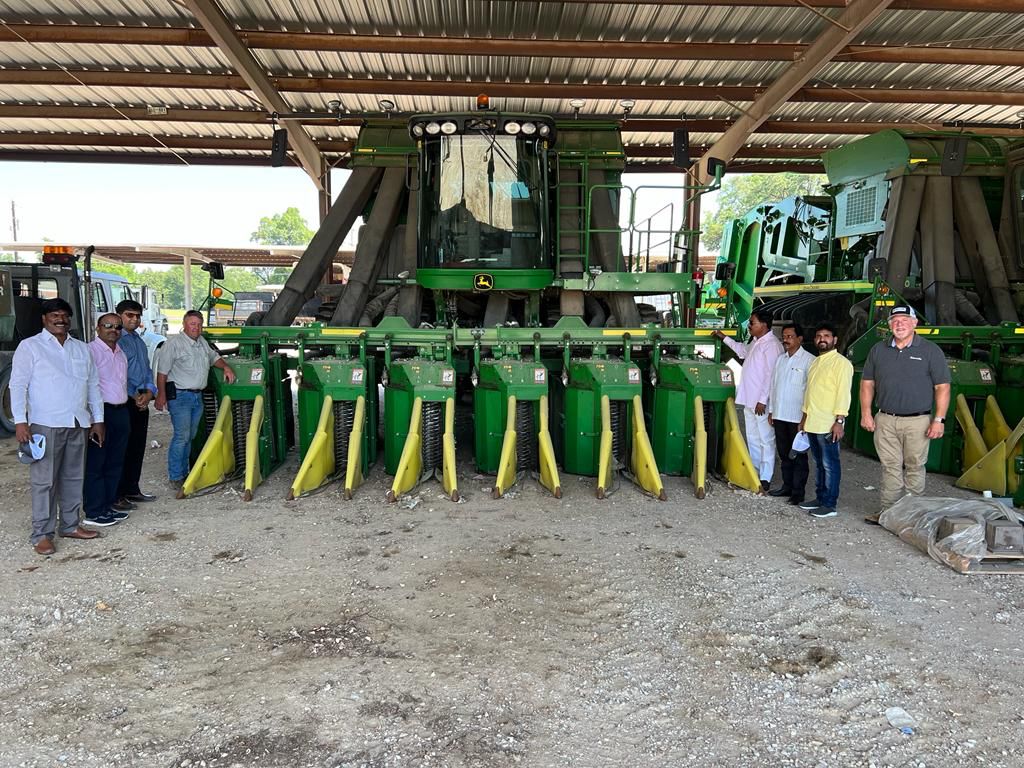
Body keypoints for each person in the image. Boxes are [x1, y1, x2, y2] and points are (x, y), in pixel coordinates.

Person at [9, 298, 105, 554]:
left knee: (74, 477)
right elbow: (17, 386)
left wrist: (98, 420)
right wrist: (20, 421)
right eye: (54, 315)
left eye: (64, 315)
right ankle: (41, 533)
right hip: (45, 423)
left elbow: (93, 385)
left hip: (78, 422)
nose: (60, 319)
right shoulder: (30, 347)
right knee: (45, 481)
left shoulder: (81, 348)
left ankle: (71, 525)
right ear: (44, 319)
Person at [859, 305, 951, 523]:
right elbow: (867, 384)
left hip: (918, 421)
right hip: (886, 419)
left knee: (914, 467)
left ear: (914, 323)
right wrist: (866, 413)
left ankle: (912, 516)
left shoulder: (930, 351)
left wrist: (939, 419)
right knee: (889, 467)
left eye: (904, 319)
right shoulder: (878, 350)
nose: (899, 324)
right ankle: (888, 513)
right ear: (889, 325)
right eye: (895, 320)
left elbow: (943, 388)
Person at [155, 310, 236, 491]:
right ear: (184, 324)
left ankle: (185, 472)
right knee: (181, 436)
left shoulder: (201, 343)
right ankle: (176, 476)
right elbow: (162, 372)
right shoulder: (173, 344)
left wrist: (226, 367)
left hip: (196, 396)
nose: (196, 328)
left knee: (190, 436)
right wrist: (161, 395)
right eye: (193, 324)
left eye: (199, 324)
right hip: (180, 396)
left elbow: (214, 358)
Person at [713, 308, 784, 492]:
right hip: (749, 399)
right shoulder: (756, 342)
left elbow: (771, 375)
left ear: (764, 325)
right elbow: (742, 351)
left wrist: (762, 400)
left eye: (752, 323)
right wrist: (723, 337)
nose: (750, 326)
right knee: (752, 437)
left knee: (765, 439)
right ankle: (755, 472)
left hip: (761, 402)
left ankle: (766, 476)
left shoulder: (772, 345)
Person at [82, 313, 133, 527]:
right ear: (98, 328)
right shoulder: (90, 352)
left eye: (117, 327)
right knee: (97, 463)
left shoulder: (120, 353)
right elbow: (86, 387)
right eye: (108, 325)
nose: (113, 330)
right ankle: (93, 511)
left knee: (115, 461)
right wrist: (95, 419)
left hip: (121, 410)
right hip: (101, 413)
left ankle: (108, 505)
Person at [798, 323, 854, 519]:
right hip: (813, 421)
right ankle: (820, 499)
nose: (823, 339)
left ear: (835, 340)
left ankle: (830, 504)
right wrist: (804, 417)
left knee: (830, 464)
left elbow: (843, 395)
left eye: (827, 336)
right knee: (819, 464)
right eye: (819, 336)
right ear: (815, 340)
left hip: (829, 423)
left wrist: (840, 420)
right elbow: (809, 392)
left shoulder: (841, 364)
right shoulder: (815, 362)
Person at [116, 299, 158, 507]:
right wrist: (135, 396)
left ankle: (132, 489)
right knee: (121, 448)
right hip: (125, 401)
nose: (134, 319)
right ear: (119, 316)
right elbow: (117, 376)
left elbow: (147, 370)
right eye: (129, 315)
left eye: (137, 316)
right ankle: (119, 494)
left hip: (142, 399)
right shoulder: (117, 342)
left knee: (137, 447)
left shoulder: (139, 342)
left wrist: (150, 392)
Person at [767, 323, 814, 504]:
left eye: (790, 337)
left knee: (799, 455)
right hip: (779, 414)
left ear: (800, 339)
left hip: (797, 417)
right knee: (784, 453)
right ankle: (787, 486)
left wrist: (805, 417)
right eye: (784, 337)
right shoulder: (781, 359)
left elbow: (810, 391)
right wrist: (771, 411)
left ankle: (798, 492)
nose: (786, 340)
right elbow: (774, 385)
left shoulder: (809, 361)